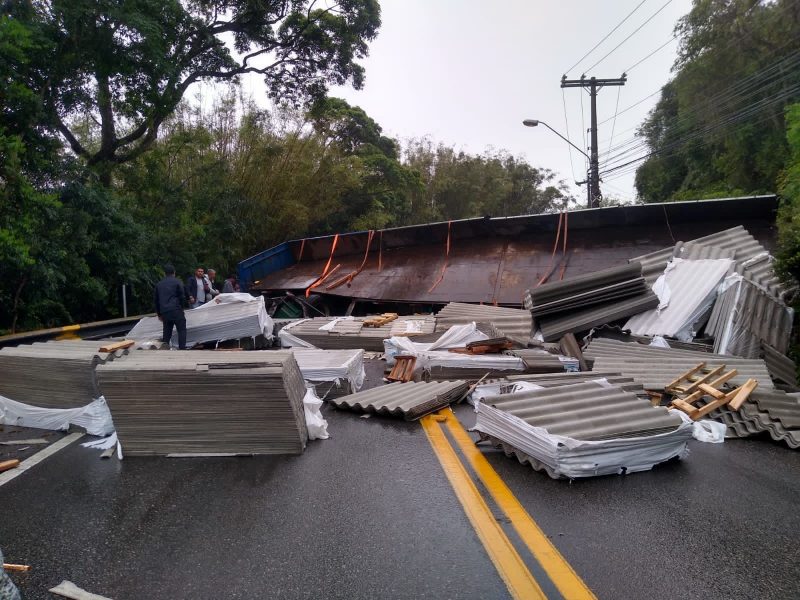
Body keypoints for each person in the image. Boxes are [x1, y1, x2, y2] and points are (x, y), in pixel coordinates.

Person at [154, 264, 188, 349]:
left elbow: (156, 300)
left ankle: (165, 348)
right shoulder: (178, 282)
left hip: (165, 311)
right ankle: (182, 349)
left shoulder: (159, 284)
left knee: (167, 332)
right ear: (174, 272)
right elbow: (182, 296)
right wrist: (182, 308)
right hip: (176, 309)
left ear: (164, 273)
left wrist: (159, 314)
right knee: (181, 330)